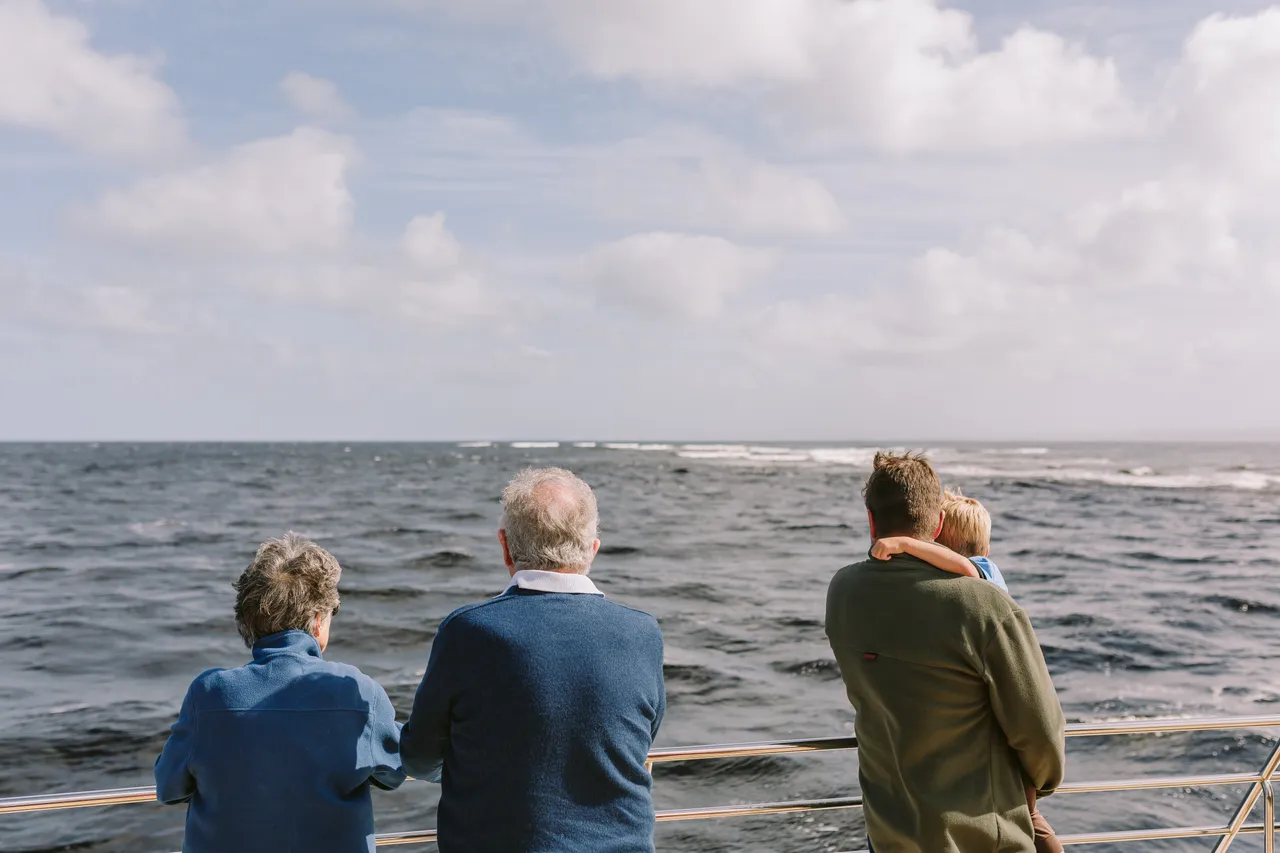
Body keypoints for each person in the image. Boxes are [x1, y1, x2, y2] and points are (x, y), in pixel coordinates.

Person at [401, 467, 666, 853]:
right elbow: (639, 736)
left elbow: (420, 756)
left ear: (505, 547)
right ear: (592, 549)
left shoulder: (469, 631)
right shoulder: (643, 632)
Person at [826, 452, 1065, 853]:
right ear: (937, 524)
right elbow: (1041, 731)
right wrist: (1040, 784)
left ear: (871, 520)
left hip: (889, 829)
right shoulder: (984, 606)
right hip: (977, 839)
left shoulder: (842, 591)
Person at [154, 533, 405, 853]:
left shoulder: (209, 694)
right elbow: (395, 771)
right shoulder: (359, 693)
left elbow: (169, 787)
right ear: (317, 622)